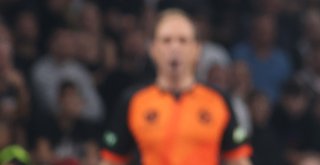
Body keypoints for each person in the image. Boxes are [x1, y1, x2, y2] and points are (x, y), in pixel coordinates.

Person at [101, 9, 252, 165]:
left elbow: (238, 159)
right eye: (166, 40)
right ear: (153, 49)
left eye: (183, 40)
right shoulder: (133, 100)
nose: (175, 48)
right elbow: (112, 160)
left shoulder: (219, 100)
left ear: (197, 49)